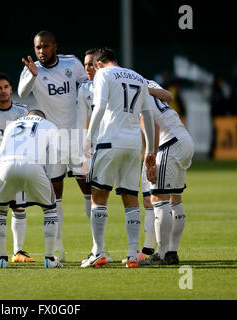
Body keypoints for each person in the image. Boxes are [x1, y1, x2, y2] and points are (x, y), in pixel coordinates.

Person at [82, 47, 157, 268]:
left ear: (97, 64)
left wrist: (88, 137)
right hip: (133, 144)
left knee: (99, 196)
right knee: (130, 198)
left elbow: (101, 106)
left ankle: (99, 251)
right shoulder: (138, 77)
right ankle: (133, 255)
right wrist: (150, 150)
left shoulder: (103, 74)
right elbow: (147, 115)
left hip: (109, 141)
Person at [18, 30, 88, 262]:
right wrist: (32, 75)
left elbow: (87, 88)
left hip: (76, 137)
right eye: (38, 47)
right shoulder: (31, 70)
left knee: (88, 189)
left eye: (45, 46)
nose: (41, 51)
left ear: (55, 46)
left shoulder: (72, 63)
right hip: (52, 141)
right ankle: (58, 247)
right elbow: (21, 92)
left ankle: (98, 247)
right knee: (55, 193)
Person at [0, 72, 36, 264]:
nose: (3, 91)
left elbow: (30, 138)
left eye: (6, 87)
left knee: (19, 208)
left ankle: (18, 251)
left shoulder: (22, 111)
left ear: (11, 88)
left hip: (17, 166)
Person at [0, 109, 63, 269]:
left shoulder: (12, 125)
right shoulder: (49, 125)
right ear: (42, 117)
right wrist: (47, 180)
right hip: (31, 164)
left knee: (0, 211)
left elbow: (0, 153)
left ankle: (2, 259)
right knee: (50, 209)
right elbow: (52, 157)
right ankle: (50, 259)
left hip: (5, 165)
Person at [139, 80, 194, 266]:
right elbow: (169, 96)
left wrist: (150, 157)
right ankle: (172, 252)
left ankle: (161, 253)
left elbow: (151, 125)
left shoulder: (129, 90)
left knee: (158, 198)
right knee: (175, 200)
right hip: (184, 139)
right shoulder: (149, 83)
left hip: (168, 143)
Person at [76, 48, 113, 264]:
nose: (88, 68)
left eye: (91, 64)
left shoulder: (112, 82)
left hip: (116, 143)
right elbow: (82, 120)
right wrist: (83, 149)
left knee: (131, 195)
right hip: (95, 146)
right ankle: (98, 247)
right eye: (85, 64)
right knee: (92, 196)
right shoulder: (84, 89)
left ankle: (139, 249)